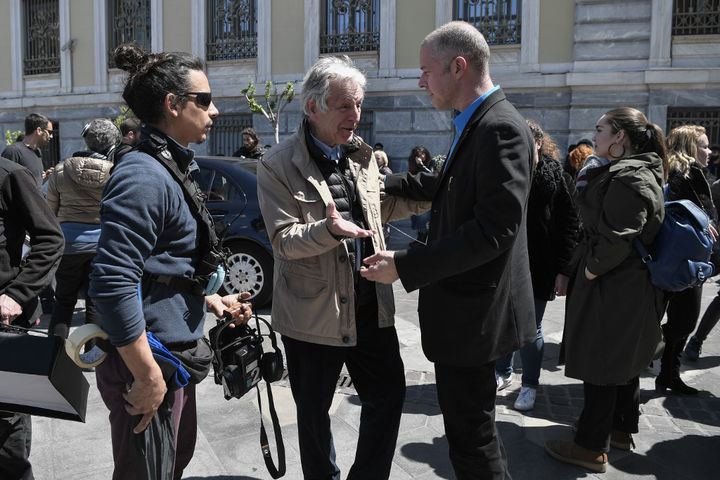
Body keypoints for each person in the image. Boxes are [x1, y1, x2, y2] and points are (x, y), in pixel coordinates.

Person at [361, 21, 536, 479]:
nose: (420, 81)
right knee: (469, 434)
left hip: (475, 318)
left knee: (473, 442)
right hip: (466, 317)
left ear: (458, 67)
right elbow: (451, 182)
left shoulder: (499, 127)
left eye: (425, 71)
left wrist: (406, 264)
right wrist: (385, 182)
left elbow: (493, 231)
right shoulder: (477, 121)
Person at [256, 55, 427, 480]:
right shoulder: (276, 165)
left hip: (372, 307)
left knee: (387, 398)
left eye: (359, 105)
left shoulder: (363, 157)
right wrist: (328, 231)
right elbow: (282, 241)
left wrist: (436, 193)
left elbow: (379, 208)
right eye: (344, 106)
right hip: (313, 317)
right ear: (313, 108)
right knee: (313, 417)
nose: (355, 116)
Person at [88, 44, 253, 479]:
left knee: (170, 464)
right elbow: (111, 281)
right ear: (173, 105)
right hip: (147, 361)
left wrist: (213, 300)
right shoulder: (143, 174)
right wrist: (146, 377)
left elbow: (163, 264)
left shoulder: (169, 166)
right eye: (204, 99)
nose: (214, 110)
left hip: (171, 356)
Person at [545, 107, 666, 473]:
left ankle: (590, 447)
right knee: (622, 359)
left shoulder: (629, 176)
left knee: (602, 361)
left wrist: (593, 271)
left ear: (620, 138)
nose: (594, 135)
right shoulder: (629, 170)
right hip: (622, 285)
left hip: (615, 286)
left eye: (601, 129)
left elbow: (616, 238)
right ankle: (619, 429)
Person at [494, 120, 580, 411]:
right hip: (505, 261)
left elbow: (571, 224)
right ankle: (502, 372)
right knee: (504, 321)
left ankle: (529, 384)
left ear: (539, 143)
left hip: (540, 263)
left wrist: (564, 269)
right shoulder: (504, 172)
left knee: (530, 327)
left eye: (525, 141)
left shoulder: (558, 177)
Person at [0, 156, 64, 479]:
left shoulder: (10, 176)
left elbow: (51, 239)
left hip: (4, 328)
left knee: (7, 433)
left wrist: (16, 296)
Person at [46, 119, 121, 344]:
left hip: (68, 245)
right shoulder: (115, 173)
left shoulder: (61, 169)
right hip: (101, 246)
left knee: (63, 300)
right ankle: (90, 355)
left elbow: (50, 211)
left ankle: (53, 354)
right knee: (94, 302)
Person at [657, 125, 716, 394]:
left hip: (684, 258)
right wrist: (704, 222)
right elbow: (671, 209)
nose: (710, 151)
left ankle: (668, 374)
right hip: (683, 259)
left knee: (682, 320)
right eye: (703, 145)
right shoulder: (684, 173)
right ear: (690, 147)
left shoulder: (690, 172)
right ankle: (658, 356)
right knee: (685, 321)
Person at [1, 113, 54, 187]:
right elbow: (4, 183)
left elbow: (33, 185)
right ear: (38, 130)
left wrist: (44, 179)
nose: (51, 136)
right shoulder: (13, 151)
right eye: (50, 132)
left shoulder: (37, 152)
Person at [407, 145, 435, 244]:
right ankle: (419, 237)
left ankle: (423, 238)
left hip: (427, 195)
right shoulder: (413, 165)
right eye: (419, 155)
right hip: (417, 195)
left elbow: (431, 176)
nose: (422, 156)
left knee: (424, 217)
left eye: (423, 154)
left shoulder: (431, 163)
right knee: (416, 217)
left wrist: (422, 166)